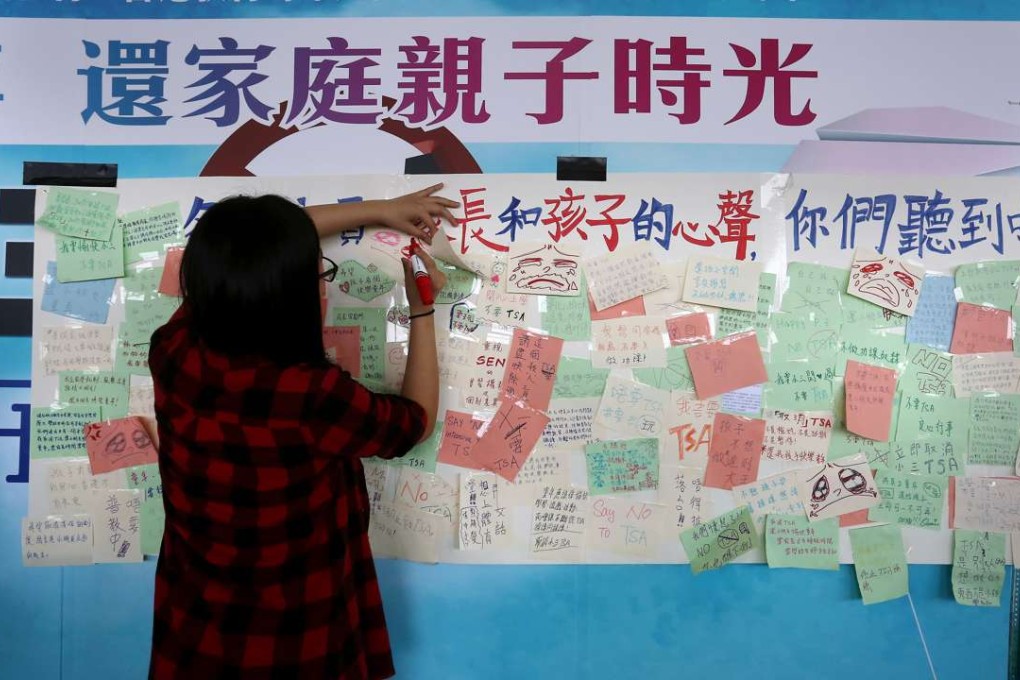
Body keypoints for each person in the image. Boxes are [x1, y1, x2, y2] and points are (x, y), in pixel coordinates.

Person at [147, 184, 458, 679]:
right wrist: (422, 306)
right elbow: (414, 420)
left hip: (196, 623)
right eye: (318, 277)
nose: (323, 287)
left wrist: (383, 209)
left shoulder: (175, 349)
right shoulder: (310, 396)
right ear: (284, 296)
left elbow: (256, 248)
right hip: (293, 633)